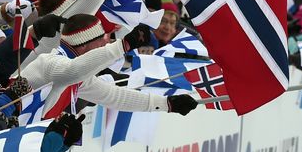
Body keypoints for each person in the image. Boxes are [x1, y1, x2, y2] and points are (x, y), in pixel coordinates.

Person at [22, 13, 198, 119]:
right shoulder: (51, 62)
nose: (104, 44)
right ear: (83, 44)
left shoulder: (80, 76)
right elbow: (72, 70)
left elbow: (113, 96)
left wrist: (166, 104)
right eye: (100, 40)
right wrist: (122, 46)